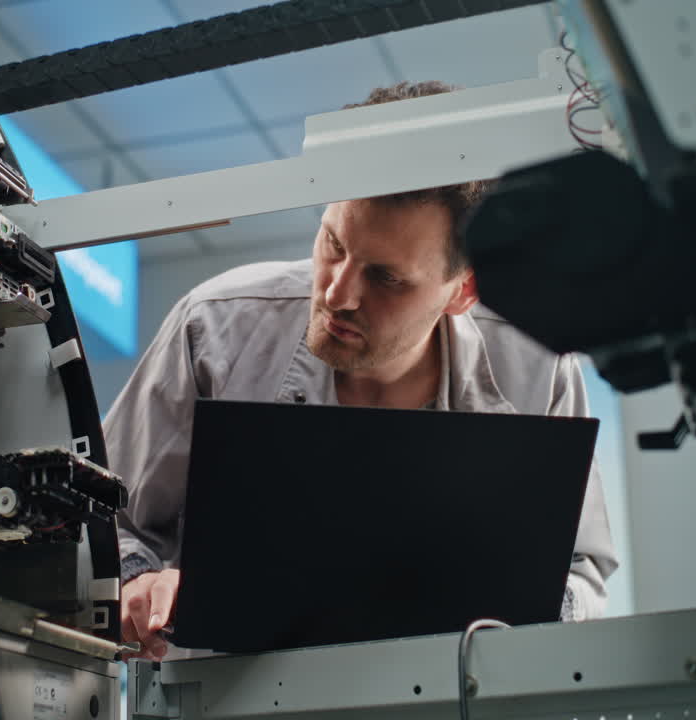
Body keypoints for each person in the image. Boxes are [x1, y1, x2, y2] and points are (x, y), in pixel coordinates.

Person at [103, 81, 618, 660]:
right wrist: (139, 582)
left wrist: (534, 624)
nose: (337, 292)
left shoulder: (539, 364)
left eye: (386, 278)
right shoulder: (214, 329)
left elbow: (580, 568)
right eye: (332, 243)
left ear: (465, 289)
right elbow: (103, 517)